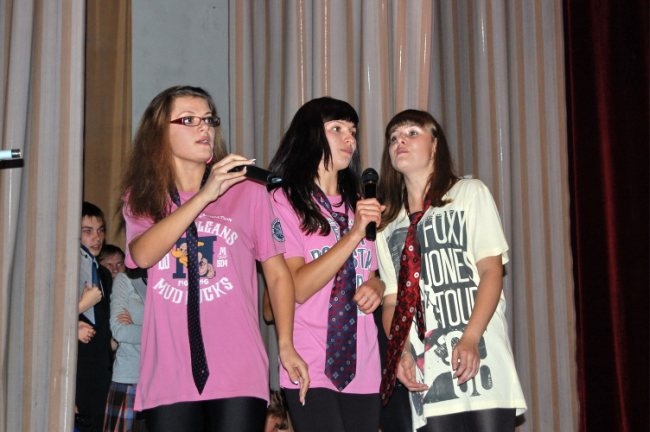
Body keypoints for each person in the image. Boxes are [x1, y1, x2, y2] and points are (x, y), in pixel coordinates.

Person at [120, 85, 309, 432]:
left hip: (238, 366)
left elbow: (278, 275)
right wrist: (204, 196)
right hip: (170, 370)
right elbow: (142, 255)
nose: (203, 127)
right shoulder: (143, 197)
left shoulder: (248, 192)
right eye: (188, 120)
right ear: (159, 133)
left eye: (208, 119)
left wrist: (286, 344)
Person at [376, 109, 527, 431]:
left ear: (435, 145)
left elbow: (491, 271)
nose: (400, 141)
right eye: (393, 138)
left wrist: (470, 338)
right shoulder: (387, 223)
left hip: (480, 352)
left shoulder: (469, 193)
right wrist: (401, 351)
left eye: (412, 133)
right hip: (427, 368)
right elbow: (392, 300)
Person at [268, 97, 384, 432]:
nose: (350, 139)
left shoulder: (360, 205)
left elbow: (370, 273)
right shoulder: (283, 201)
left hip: (363, 364)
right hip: (309, 360)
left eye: (353, 131)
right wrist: (353, 234)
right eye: (337, 128)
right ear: (310, 135)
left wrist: (377, 286)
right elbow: (297, 287)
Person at [76, 201, 114, 432]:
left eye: (100, 230)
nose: (96, 237)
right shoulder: (65, 266)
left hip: (99, 368)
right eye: (87, 231)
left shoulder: (104, 274)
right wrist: (80, 308)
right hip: (75, 367)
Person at [103, 267, 148, 432]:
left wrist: (138, 327)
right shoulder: (125, 280)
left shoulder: (169, 281)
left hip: (163, 378)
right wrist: (157, 331)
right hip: (129, 377)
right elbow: (120, 331)